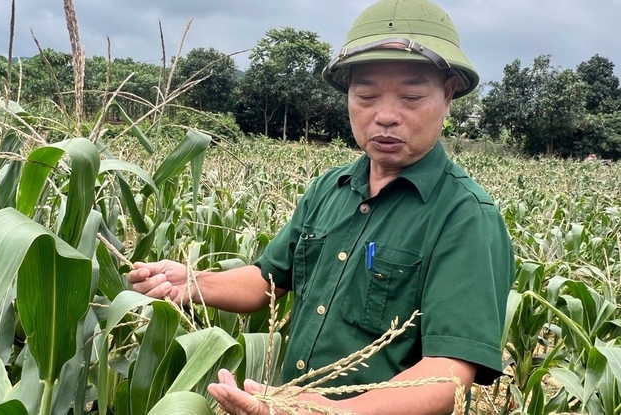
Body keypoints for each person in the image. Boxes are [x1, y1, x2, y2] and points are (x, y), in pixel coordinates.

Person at [128, 0, 515, 413]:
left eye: (412, 96)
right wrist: (192, 284)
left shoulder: (465, 216)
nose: (385, 116)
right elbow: (268, 280)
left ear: (448, 94)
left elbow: (448, 371)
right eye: (366, 95)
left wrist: (329, 411)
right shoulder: (331, 188)